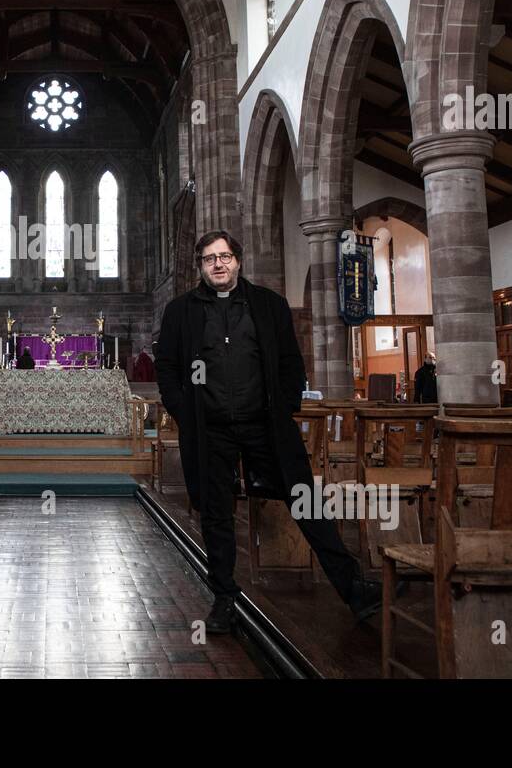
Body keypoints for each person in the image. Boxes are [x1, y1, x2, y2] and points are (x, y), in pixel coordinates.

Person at [155, 230, 383, 634]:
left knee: (304, 499)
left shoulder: (269, 305)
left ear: (238, 260)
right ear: (201, 267)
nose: (218, 264)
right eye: (209, 259)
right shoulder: (181, 311)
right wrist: (185, 413)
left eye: (224, 256)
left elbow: (290, 361)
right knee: (215, 514)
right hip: (209, 431)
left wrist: (286, 407)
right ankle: (225, 598)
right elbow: (168, 367)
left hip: (265, 425)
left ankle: (353, 588)